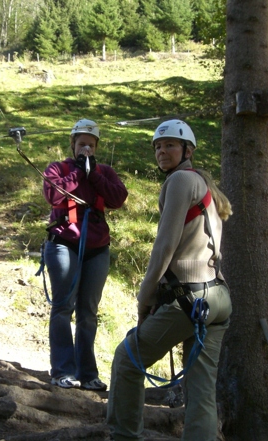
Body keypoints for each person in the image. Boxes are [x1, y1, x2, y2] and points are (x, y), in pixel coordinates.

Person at [106, 119, 233, 440]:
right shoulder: (206, 186)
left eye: (170, 146)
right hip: (217, 299)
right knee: (201, 388)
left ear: (187, 150)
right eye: (158, 147)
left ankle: (123, 436)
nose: (162, 151)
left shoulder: (179, 181)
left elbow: (165, 246)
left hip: (188, 298)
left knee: (127, 360)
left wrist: (145, 296)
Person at [42, 118, 128, 391]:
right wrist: (78, 173)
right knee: (63, 306)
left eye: (91, 146)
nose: (86, 150)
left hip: (96, 248)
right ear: (73, 145)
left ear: (96, 147)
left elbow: (118, 198)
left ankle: (88, 373)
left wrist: (93, 175)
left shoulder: (105, 172)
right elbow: (53, 197)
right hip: (64, 243)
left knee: (88, 312)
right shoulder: (59, 168)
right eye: (82, 145)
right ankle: (62, 371)